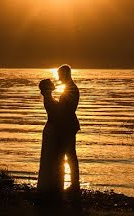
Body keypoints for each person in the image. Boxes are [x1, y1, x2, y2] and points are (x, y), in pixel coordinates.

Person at [55, 64, 81, 192]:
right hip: (69, 125)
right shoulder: (70, 88)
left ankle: (74, 184)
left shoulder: (71, 89)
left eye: (60, 75)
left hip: (68, 126)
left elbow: (66, 109)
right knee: (69, 155)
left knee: (69, 155)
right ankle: (73, 183)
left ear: (65, 74)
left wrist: (55, 104)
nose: (59, 78)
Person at [36, 77, 63, 194]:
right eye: (51, 83)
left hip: (51, 128)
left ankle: (51, 183)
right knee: (50, 157)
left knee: (51, 157)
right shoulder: (48, 99)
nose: (53, 84)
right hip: (51, 129)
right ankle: (50, 185)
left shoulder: (50, 98)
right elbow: (56, 114)